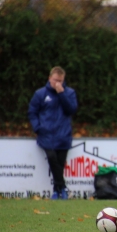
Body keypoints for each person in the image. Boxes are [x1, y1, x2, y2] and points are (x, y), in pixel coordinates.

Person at [28, 66, 78, 200]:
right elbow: (32, 112)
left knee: (60, 164)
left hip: (63, 135)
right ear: (50, 78)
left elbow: (71, 109)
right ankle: (63, 187)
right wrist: (38, 128)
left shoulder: (69, 93)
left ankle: (57, 191)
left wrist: (61, 93)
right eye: (55, 80)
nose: (58, 83)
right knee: (52, 158)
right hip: (46, 135)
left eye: (60, 81)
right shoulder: (40, 94)